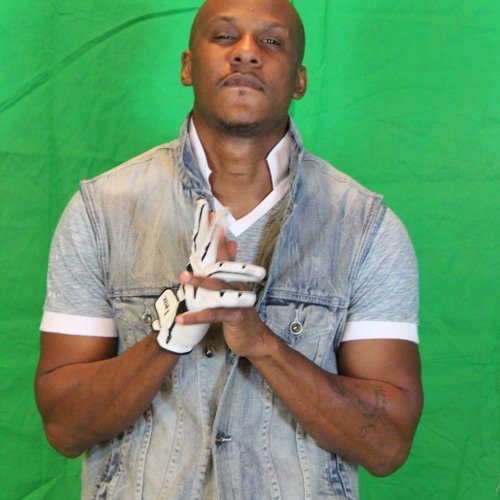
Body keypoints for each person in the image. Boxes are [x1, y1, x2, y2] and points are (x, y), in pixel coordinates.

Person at [35, 0, 423, 498]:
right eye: (224, 37)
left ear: (300, 80)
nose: (246, 53)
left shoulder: (367, 228)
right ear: (187, 67)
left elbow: (387, 446)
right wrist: (168, 339)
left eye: (271, 41)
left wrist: (262, 343)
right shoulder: (100, 211)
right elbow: (64, 429)